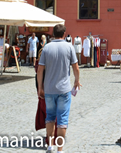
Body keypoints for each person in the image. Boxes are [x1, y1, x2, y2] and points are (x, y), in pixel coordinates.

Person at [37, 24, 81, 152]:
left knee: (49, 117)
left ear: (53, 33)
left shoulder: (46, 48)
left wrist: (40, 87)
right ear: (64, 34)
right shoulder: (69, 47)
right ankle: (60, 149)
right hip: (64, 89)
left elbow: (40, 70)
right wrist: (76, 81)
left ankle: (50, 144)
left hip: (49, 89)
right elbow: (76, 68)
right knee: (62, 119)